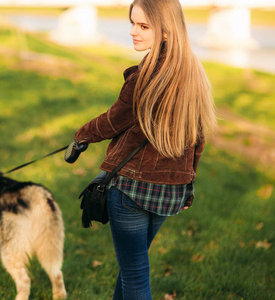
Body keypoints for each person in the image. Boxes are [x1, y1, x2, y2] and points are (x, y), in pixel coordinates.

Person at [72, 0, 217, 299]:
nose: (133, 32)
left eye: (143, 26)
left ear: (165, 31)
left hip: (131, 190)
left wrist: (81, 136)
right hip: (171, 191)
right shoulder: (194, 76)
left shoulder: (143, 78)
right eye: (132, 23)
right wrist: (188, 185)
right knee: (132, 269)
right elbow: (197, 141)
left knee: (136, 275)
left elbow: (112, 122)